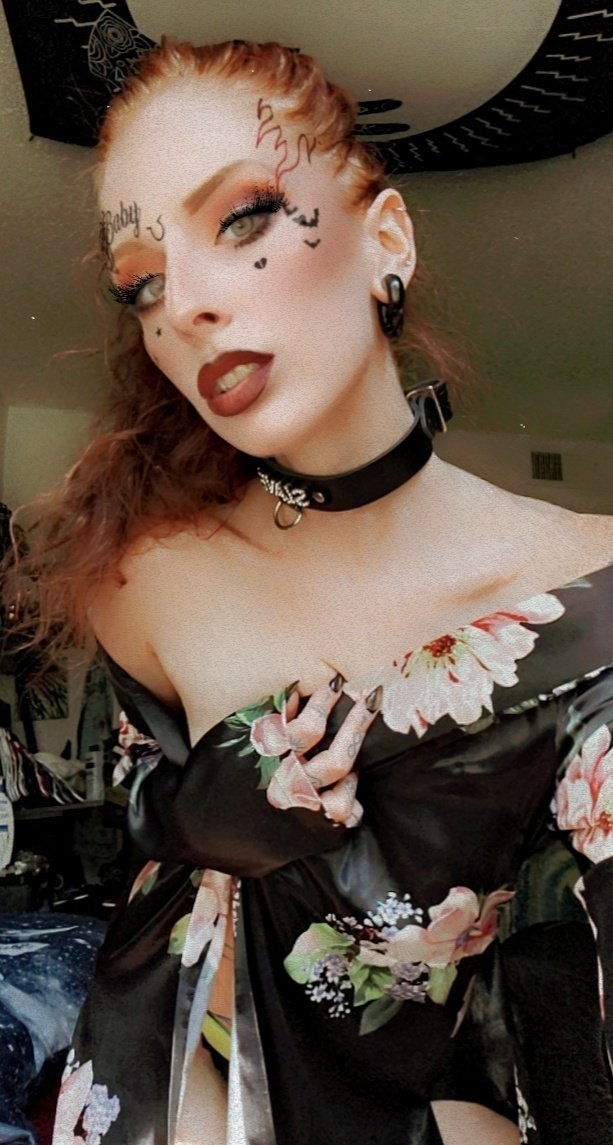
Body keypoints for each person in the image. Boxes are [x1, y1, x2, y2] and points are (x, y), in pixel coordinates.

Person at [11, 36, 613, 1145]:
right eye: (142, 283)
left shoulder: (589, 594)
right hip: (157, 1088)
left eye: (242, 219)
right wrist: (195, 813)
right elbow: (139, 821)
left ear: (385, 240)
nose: (185, 306)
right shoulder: (149, 579)